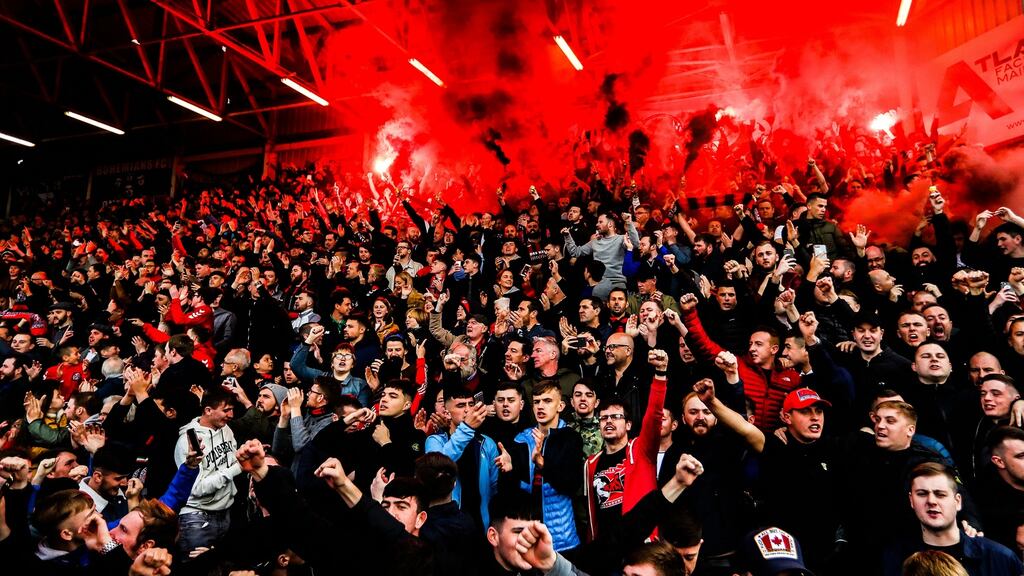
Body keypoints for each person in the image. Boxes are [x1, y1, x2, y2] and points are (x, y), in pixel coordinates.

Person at [882, 462, 1023, 576]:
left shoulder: (999, 558)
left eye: (940, 494)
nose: (931, 501)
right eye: (922, 494)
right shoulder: (895, 560)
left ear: (958, 501)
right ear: (911, 501)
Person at [174, 387, 242, 557]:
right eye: (226, 410)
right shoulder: (189, 441)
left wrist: (244, 454)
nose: (231, 415)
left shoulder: (225, 429)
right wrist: (239, 467)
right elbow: (196, 488)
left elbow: (232, 459)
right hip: (196, 518)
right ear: (208, 410)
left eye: (232, 409)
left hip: (224, 512)